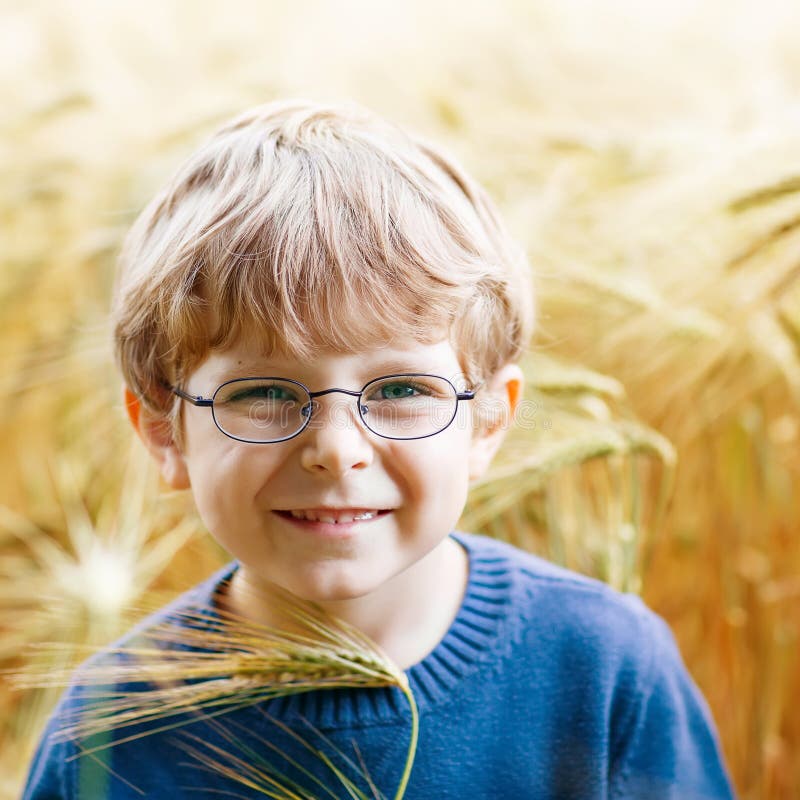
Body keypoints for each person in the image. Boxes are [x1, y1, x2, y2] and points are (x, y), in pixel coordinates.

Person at [21, 99, 736, 799]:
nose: (336, 450)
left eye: (399, 391)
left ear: (487, 421)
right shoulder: (108, 733)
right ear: (161, 430)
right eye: (264, 394)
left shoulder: (602, 669)